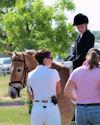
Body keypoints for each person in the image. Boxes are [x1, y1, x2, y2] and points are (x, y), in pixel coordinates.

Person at [64, 48, 100, 125]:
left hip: (80, 109)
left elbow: (67, 92)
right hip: (97, 108)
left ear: (86, 57)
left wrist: (79, 99)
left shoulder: (77, 71)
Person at [27, 49, 61, 125]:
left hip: (37, 108)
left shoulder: (30, 75)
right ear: (45, 59)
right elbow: (58, 91)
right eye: (51, 58)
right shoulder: (54, 72)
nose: (52, 60)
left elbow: (31, 97)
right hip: (51, 108)